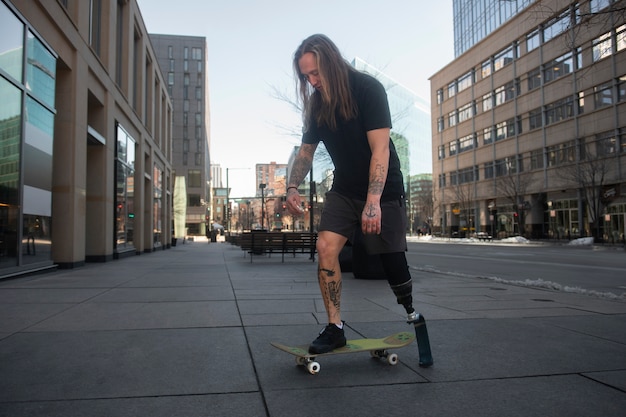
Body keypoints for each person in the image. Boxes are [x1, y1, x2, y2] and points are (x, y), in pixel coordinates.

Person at [285, 34, 417, 354]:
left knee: (392, 263)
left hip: (383, 189)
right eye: (306, 77)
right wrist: (291, 186)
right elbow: (305, 153)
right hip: (343, 189)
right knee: (325, 246)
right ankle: (335, 327)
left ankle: (413, 312)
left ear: (331, 63)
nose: (312, 81)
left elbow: (381, 149)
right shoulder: (317, 105)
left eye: (316, 73)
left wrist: (373, 202)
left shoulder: (367, 89)